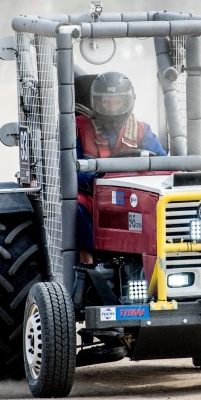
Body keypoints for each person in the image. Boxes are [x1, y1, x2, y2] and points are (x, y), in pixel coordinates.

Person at [75, 72, 166, 265]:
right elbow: (69, 171)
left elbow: (163, 166)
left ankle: (155, 258)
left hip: (132, 197)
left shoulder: (142, 130)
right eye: (106, 102)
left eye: (117, 102)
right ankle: (86, 261)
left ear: (128, 101)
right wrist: (98, 175)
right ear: (95, 102)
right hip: (93, 196)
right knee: (75, 204)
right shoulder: (78, 127)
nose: (112, 107)